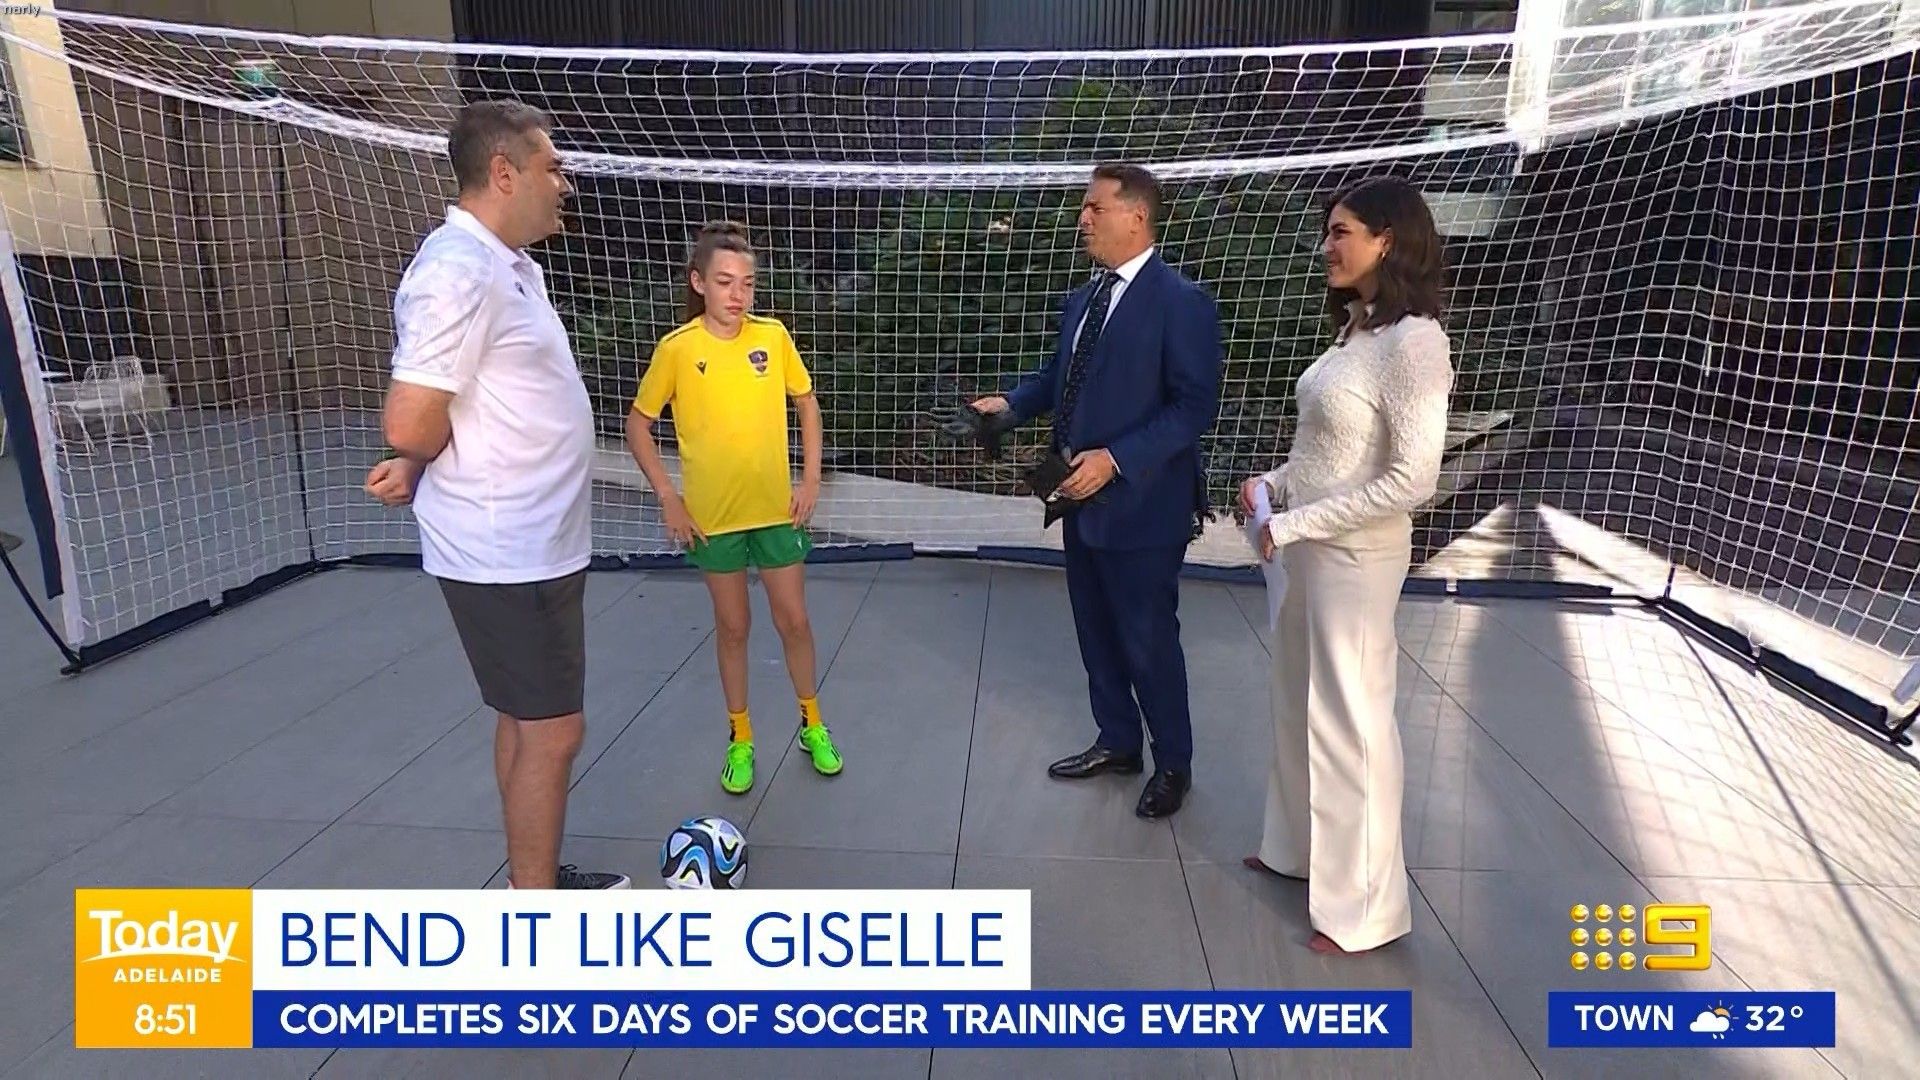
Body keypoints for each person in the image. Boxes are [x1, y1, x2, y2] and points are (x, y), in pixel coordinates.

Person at [363, 99, 627, 890]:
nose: (565, 183)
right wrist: (415, 453)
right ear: (504, 173)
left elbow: (464, 402)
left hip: (533, 543)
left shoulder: (507, 264)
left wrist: (418, 464)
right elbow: (410, 418)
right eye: (553, 168)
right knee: (554, 731)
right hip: (507, 548)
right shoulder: (459, 272)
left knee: (525, 719)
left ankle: (528, 880)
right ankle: (534, 912)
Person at [1239, 175, 1453, 954]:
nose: (1326, 246)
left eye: (1341, 232)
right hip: (1307, 554)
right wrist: (1273, 486)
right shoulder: (1357, 331)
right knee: (1298, 704)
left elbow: (1412, 480)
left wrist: (1295, 521)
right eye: (1328, 232)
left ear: (1387, 241)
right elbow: (1330, 453)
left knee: (1351, 725)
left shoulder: (1416, 341)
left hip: (1356, 561)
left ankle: (1363, 912)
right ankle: (1297, 854)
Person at [973, 163, 1223, 819]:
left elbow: (1194, 407)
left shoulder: (1182, 303)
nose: (1082, 218)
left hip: (1145, 508)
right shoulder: (1083, 300)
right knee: (1095, 630)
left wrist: (1116, 459)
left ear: (1136, 216)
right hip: (1078, 500)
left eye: (1094, 208)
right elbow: (1060, 376)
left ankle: (1173, 764)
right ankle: (1118, 741)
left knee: (1147, 638)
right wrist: (1013, 404)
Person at [625, 221, 841, 796]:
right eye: (724, 282)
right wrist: (669, 498)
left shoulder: (772, 336)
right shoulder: (677, 349)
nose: (737, 294)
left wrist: (810, 479)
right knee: (733, 627)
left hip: (775, 512)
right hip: (713, 520)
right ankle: (740, 738)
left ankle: (812, 724)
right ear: (699, 283)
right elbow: (638, 426)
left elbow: (807, 403)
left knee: (794, 620)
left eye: (746, 283)